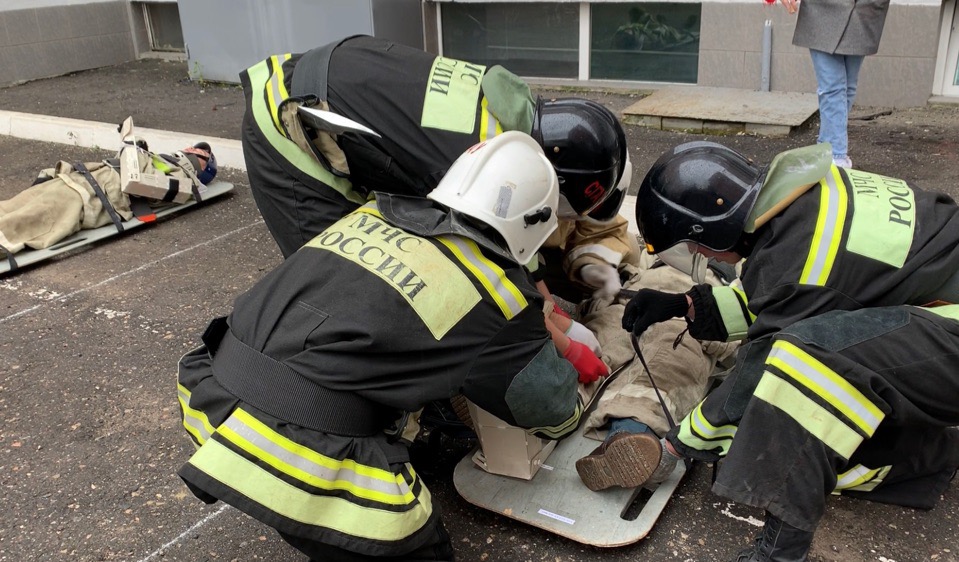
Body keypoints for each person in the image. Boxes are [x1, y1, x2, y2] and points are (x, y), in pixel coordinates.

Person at [175, 132, 586, 561]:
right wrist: (574, 393)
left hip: (212, 396)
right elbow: (547, 410)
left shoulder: (373, 212)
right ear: (534, 224)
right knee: (410, 545)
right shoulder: (499, 294)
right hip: (300, 446)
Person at [620, 140, 959, 561]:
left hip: (951, 334)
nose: (697, 254)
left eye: (695, 245)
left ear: (713, 230)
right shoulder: (806, 201)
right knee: (804, 401)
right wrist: (685, 304)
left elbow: (764, 362)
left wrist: (678, 444)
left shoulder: (800, 255)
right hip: (938, 312)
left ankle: (780, 553)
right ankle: (920, 449)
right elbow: (789, 300)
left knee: (801, 374)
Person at [241, 33, 630, 381]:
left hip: (331, 83)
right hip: (288, 122)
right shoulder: (474, 161)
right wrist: (566, 347)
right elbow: (492, 276)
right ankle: (318, 384)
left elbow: (519, 258)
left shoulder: (513, 112)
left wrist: (554, 314)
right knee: (348, 279)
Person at [0, 138, 216, 258]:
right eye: (192, 146)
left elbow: (144, 188)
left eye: (199, 151)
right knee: (12, 205)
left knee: (23, 222)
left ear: (203, 166)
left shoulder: (184, 181)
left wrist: (132, 153)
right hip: (79, 178)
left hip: (89, 195)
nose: (190, 148)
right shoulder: (159, 160)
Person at [780, 0, 891, 169]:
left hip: (864, 9)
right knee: (833, 87)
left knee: (847, 88)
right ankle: (836, 156)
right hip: (822, 8)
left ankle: (825, 150)